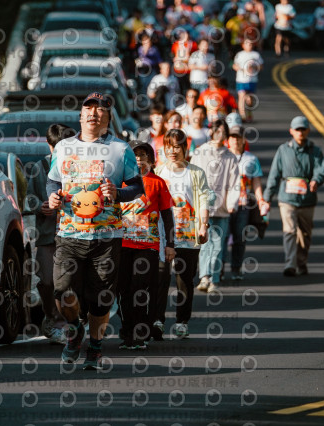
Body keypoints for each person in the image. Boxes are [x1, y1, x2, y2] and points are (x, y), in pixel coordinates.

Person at [47, 92, 145, 370]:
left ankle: (96, 347)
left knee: (100, 300)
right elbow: (53, 181)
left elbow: (137, 187)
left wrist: (118, 192)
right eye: (88, 108)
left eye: (100, 109)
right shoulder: (64, 147)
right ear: (80, 116)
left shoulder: (120, 149)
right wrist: (53, 197)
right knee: (62, 290)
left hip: (107, 237)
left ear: (108, 118)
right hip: (69, 234)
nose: (94, 113)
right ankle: (75, 329)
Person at [118, 140, 175, 349]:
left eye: (143, 156)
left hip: (148, 245)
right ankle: (127, 331)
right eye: (135, 156)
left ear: (150, 160)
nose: (139, 159)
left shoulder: (158, 183)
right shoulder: (119, 182)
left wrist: (170, 244)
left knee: (139, 288)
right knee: (123, 290)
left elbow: (167, 215)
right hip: (122, 244)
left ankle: (140, 333)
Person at [155, 128, 211, 338]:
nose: (172, 151)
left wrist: (203, 225)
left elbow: (203, 200)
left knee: (184, 280)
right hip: (162, 236)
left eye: (177, 147)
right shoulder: (159, 172)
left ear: (185, 148)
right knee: (160, 279)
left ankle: (182, 322)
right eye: (169, 146)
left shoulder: (196, 173)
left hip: (188, 235)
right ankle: (157, 320)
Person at [26, 124, 77, 345]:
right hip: (47, 235)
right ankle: (50, 316)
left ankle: (67, 323)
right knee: (47, 281)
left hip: (74, 234)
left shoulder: (79, 167)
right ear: (49, 145)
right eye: (57, 147)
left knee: (68, 284)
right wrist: (40, 206)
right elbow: (28, 198)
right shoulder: (39, 168)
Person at [263, 116, 324, 276]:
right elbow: (274, 175)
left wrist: (315, 180)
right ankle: (290, 264)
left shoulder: (315, 151)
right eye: (297, 129)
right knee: (289, 231)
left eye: (303, 129)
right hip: (287, 200)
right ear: (291, 131)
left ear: (308, 131)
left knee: (305, 234)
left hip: (307, 200)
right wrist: (267, 198)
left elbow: (320, 170)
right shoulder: (283, 150)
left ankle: (301, 262)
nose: (300, 132)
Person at [191, 119, 240, 293]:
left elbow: (235, 183)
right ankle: (204, 277)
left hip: (222, 208)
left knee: (218, 245)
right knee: (204, 243)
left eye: (223, 131)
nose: (220, 134)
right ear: (211, 132)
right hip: (202, 206)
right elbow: (193, 178)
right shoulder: (200, 152)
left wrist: (232, 203)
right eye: (216, 130)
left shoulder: (230, 157)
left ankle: (214, 278)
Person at [221, 125, 264, 281]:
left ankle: (236, 269)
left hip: (243, 205)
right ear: (228, 139)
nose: (235, 140)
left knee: (240, 238)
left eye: (238, 137)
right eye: (232, 137)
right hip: (224, 205)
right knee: (223, 238)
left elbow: (256, 181)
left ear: (244, 139)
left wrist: (261, 200)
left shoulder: (251, 159)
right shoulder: (222, 157)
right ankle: (219, 270)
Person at [233, 38, 263, 122]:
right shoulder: (240, 54)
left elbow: (261, 66)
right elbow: (234, 65)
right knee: (241, 96)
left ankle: (249, 113)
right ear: (243, 45)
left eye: (250, 44)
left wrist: (254, 67)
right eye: (247, 44)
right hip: (241, 79)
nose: (249, 45)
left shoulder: (256, 55)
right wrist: (242, 69)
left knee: (249, 99)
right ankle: (242, 115)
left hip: (252, 80)